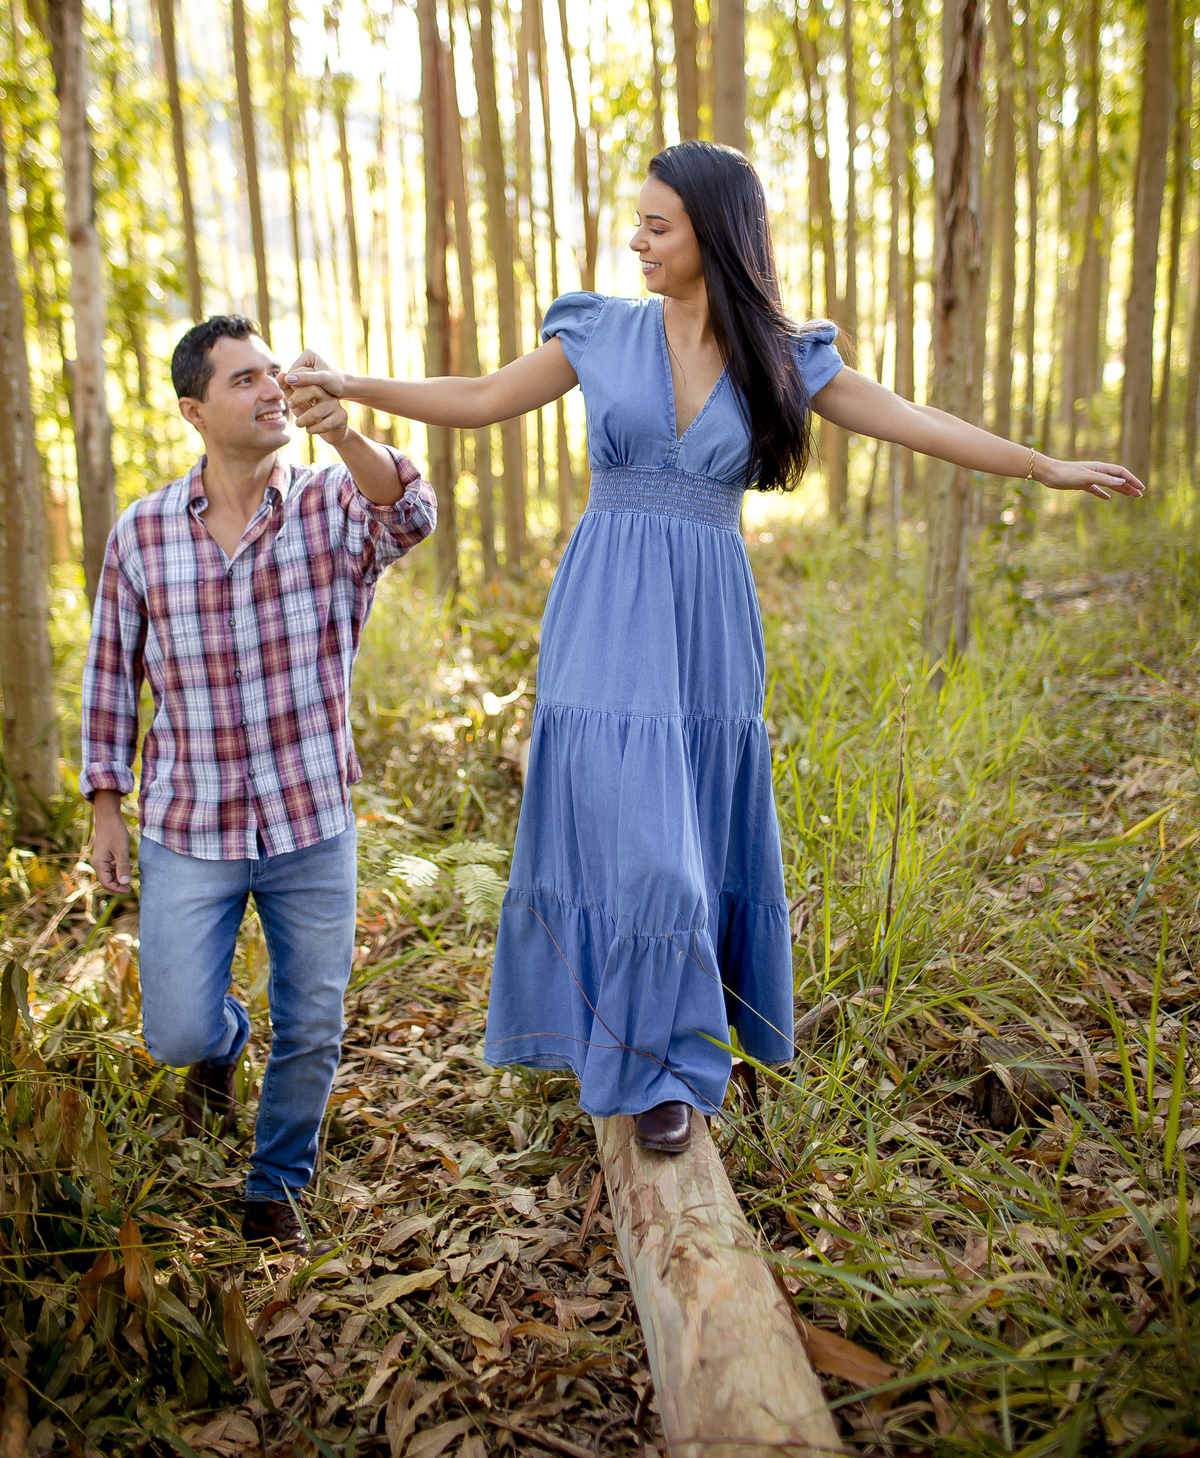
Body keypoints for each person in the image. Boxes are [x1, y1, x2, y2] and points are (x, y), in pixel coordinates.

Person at [285, 141, 1142, 1155]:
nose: (637, 240)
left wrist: (1042, 466)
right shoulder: (598, 330)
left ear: (715, 236)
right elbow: (476, 398)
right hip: (605, 609)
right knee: (646, 848)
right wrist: (352, 385)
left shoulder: (783, 353)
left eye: (658, 225)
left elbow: (909, 420)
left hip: (707, 621)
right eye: (638, 222)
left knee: (689, 833)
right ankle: (649, 1060)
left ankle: (671, 1056)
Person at [81, 315, 436, 1252]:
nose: (271, 388)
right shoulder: (143, 532)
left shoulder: (328, 501)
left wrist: (345, 431)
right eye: (244, 379)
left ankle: (276, 1183)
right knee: (176, 1031)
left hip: (310, 815)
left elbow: (410, 513)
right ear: (194, 410)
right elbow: (112, 670)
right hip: (188, 823)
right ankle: (221, 1048)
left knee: (313, 1020)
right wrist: (106, 803)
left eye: (273, 372)